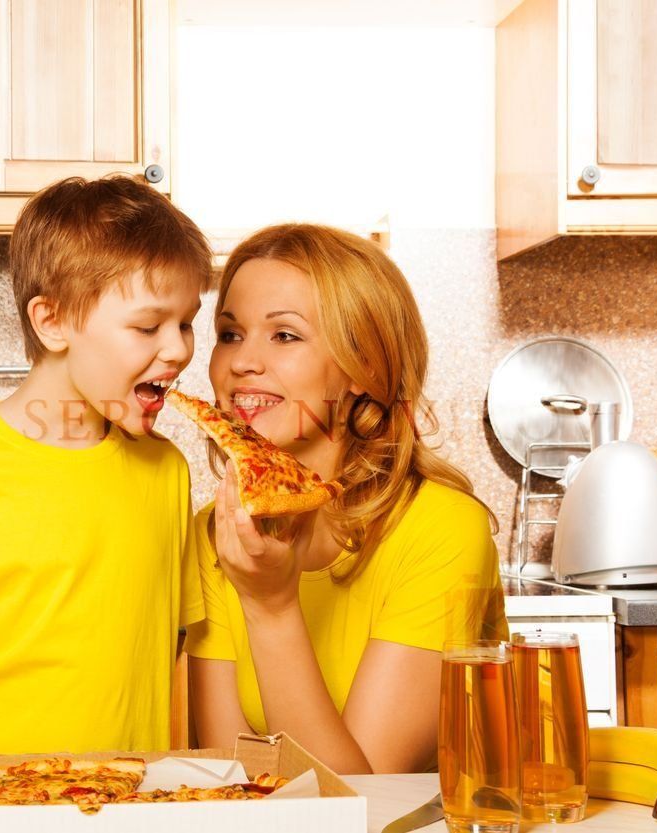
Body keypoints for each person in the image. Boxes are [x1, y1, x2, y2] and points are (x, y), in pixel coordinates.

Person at [0, 176, 211, 756]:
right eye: (147, 326)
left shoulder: (166, 471)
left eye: (186, 323)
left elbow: (167, 637)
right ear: (52, 322)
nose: (181, 348)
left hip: (127, 802)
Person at [186, 223, 508, 774]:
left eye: (284, 336)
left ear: (365, 367)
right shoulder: (217, 527)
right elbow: (232, 779)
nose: (242, 362)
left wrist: (270, 606)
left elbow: (364, 804)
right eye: (230, 333)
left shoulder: (444, 530)